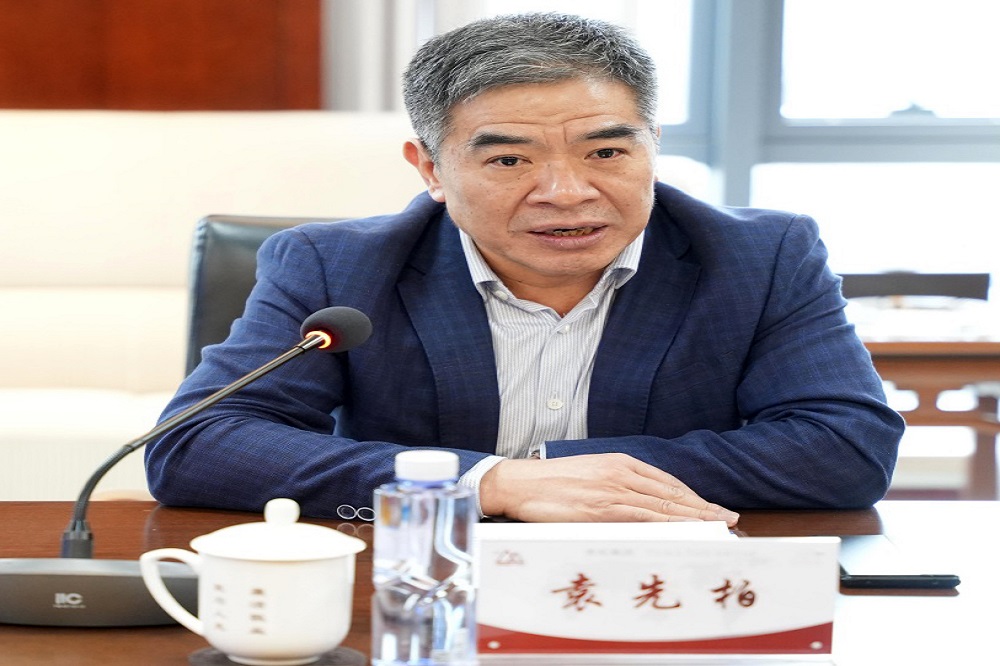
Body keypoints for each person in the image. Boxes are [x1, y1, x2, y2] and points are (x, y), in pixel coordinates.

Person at [146, 13, 904, 524]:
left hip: (664, 590)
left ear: (653, 145)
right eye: (510, 160)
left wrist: (569, 474)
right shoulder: (334, 265)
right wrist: (490, 484)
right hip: (427, 586)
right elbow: (196, 445)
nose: (567, 192)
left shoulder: (761, 257)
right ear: (431, 169)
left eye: (606, 151)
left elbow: (846, 448)